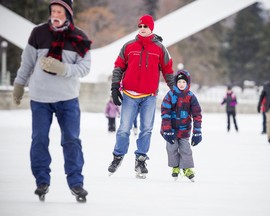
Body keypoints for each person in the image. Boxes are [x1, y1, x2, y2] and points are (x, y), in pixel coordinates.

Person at [12, 0, 91, 202]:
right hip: (40, 99)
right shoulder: (38, 33)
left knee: (71, 140)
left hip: (67, 99)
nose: (55, 15)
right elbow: (27, 62)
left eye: (59, 11)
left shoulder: (79, 38)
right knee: (39, 139)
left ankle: (76, 183)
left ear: (68, 14)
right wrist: (19, 84)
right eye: (53, 11)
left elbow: (84, 68)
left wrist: (63, 69)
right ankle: (41, 181)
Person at [107, 14, 174, 178]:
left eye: (146, 26)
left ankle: (141, 160)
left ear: (151, 28)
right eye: (140, 26)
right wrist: (115, 87)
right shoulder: (129, 46)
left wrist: (176, 92)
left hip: (149, 96)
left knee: (146, 129)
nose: (143, 29)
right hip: (129, 94)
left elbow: (168, 70)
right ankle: (118, 156)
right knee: (123, 129)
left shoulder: (159, 48)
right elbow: (118, 67)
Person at [160, 70, 202, 181]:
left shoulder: (191, 96)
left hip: (184, 130)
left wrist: (197, 132)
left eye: (184, 82)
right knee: (171, 148)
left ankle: (187, 168)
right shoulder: (170, 95)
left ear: (188, 83)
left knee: (185, 149)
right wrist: (167, 130)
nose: (181, 84)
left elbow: (197, 114)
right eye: (179, 82)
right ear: (175, 83)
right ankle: (175, 167)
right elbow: (165, 112)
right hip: (171, 130)